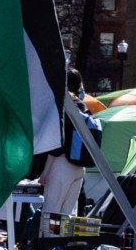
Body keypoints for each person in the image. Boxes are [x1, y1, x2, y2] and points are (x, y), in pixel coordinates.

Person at [39, 68, 98, 232]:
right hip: (79, 166)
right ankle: (61, 247)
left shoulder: (61, 106)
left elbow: (57, 144)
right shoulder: (82, 105)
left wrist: (45, 171)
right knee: (67, 213)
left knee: (51, 211)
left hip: (61, 164)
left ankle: (48, 247)